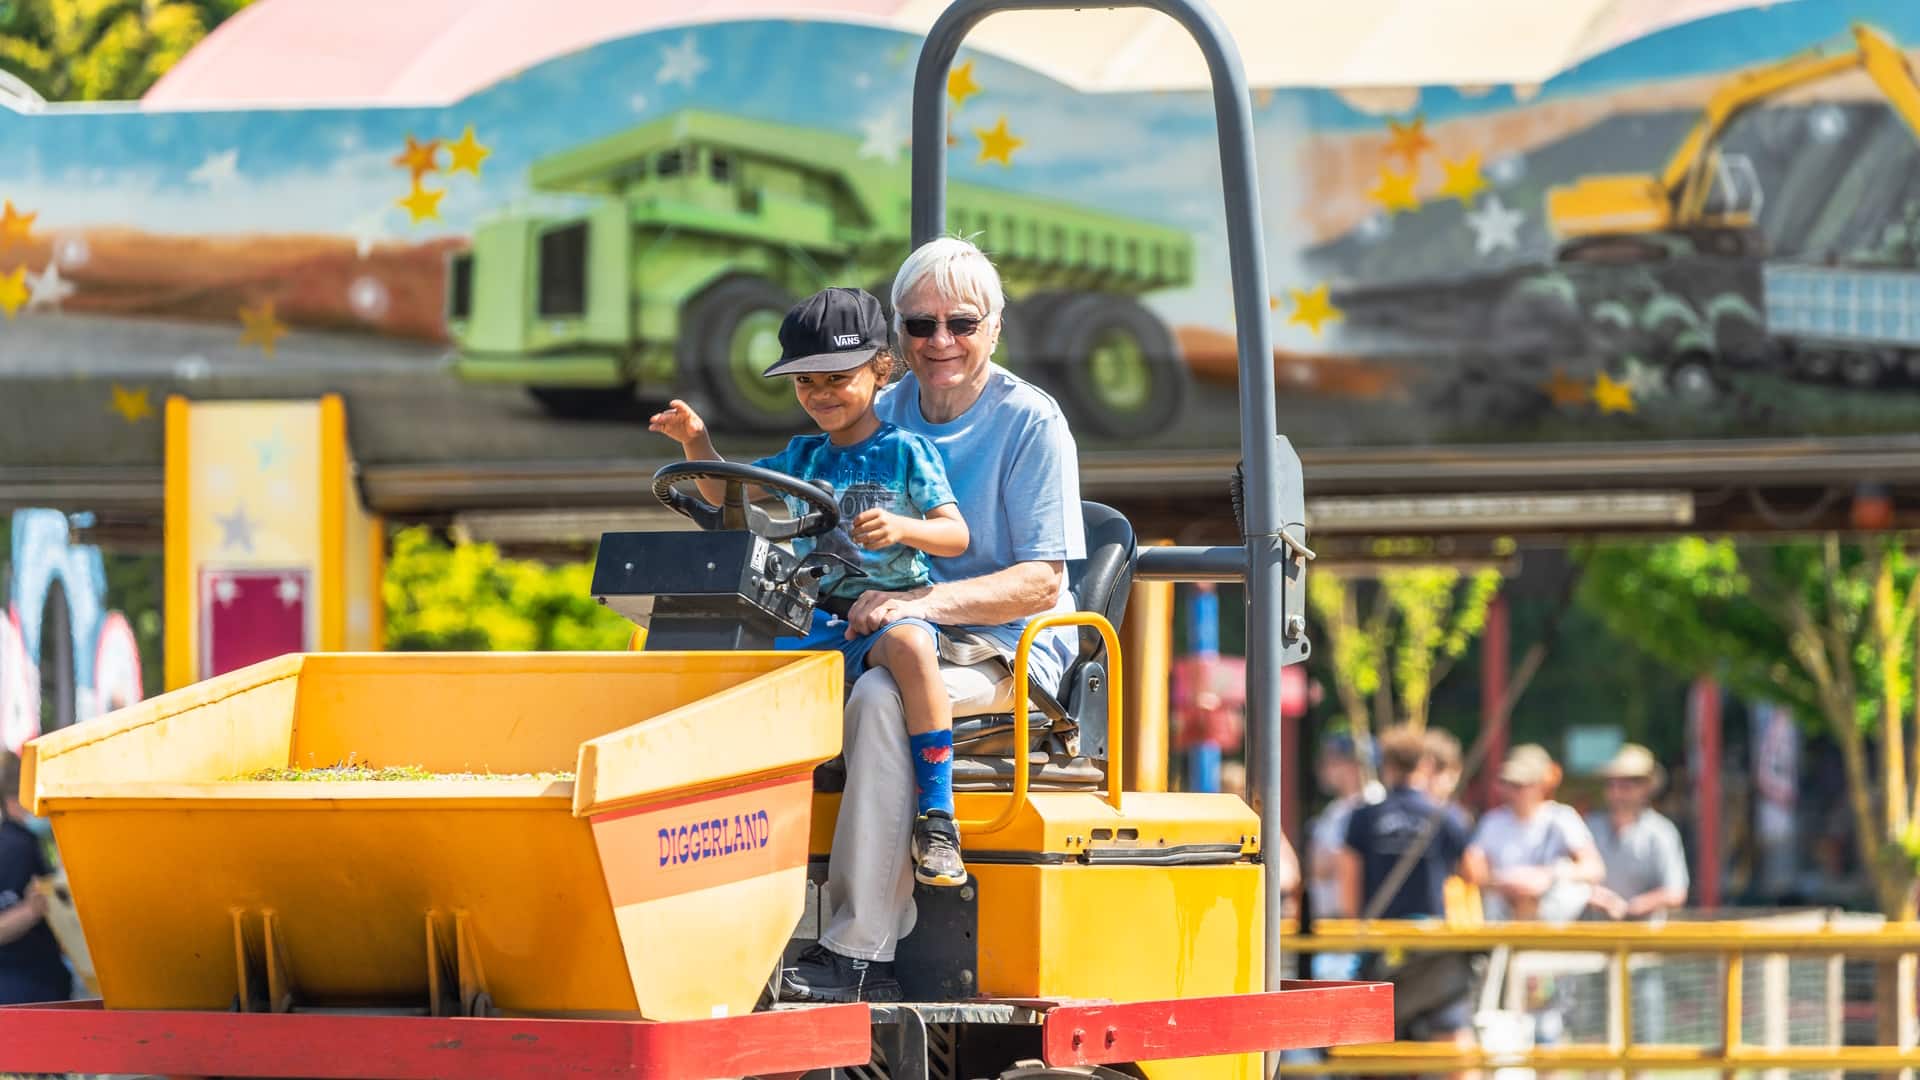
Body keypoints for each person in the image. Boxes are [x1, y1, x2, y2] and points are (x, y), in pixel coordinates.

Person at [777, 237, 1087, 1004]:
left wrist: (919, 604)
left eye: (962, 322)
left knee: (883, 700)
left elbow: (1041, 582)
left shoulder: (1030, 423)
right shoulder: (873, 413)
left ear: (995, 329)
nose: (940, 341)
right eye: (920, 325)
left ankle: (858, 949)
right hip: (884, 626)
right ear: (895, 340)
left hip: (1007, 640)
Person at [650, 287, 973, 889]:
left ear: (880, 370)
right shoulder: (801, 457)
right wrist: (697, 442)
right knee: (710, 650)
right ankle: (704, 816)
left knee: (911, 648)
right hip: (809, 613)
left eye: (835, 378)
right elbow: (730, 497)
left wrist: (905, 526)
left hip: (885, 613)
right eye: (805, 383)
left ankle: (936, 814)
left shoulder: (907, 452)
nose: (820, 395)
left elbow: (955, 535)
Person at [1337, 726, 1474, 1045]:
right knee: (1451, 1036)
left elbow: (1348, 890)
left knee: (1376, 1045)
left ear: (1387, 766)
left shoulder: (1362, 818)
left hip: (1380, 946)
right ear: (1425, 765)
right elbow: (1473, 872)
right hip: (1432, 947)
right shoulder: (1446, 816)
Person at [1583, 742, 1689, 1045]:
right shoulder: (1591, 827)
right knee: (1593, 1043)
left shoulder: (1661, 832)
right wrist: (1600, 898)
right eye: (1613, 783)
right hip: (1594, 951)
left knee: (1641, 1043)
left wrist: (1632, 906)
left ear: (1646, 787)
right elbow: (1573, 876)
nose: (1618, 790)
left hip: (1642, 954)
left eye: (1628, 783)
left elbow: (1676, 891)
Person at [1462, 745, 1605, 923]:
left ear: (1542, 784)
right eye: (1509, 784)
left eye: (1521, 785)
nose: (1513, 792)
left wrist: (1549, 876)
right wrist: (1503, 883)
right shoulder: (1492, 821)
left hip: (1553, 924)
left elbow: (1594, 868)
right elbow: (1473, 869)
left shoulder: (1562, 817)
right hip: (1503, 919)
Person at [1, 750, 72, 1005]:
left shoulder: (23, 842)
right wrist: (32, 910)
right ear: (14, 801)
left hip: (32, 982)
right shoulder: (15, 848)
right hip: (22, 986)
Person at [1304, 733, 1367, 979]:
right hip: (1328, 921)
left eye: (1333, 761)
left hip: (1349, 922)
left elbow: (1327, 865)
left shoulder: (1369, 805)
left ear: (1354, 765)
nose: (1325, 769)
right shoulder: (1336, 809)